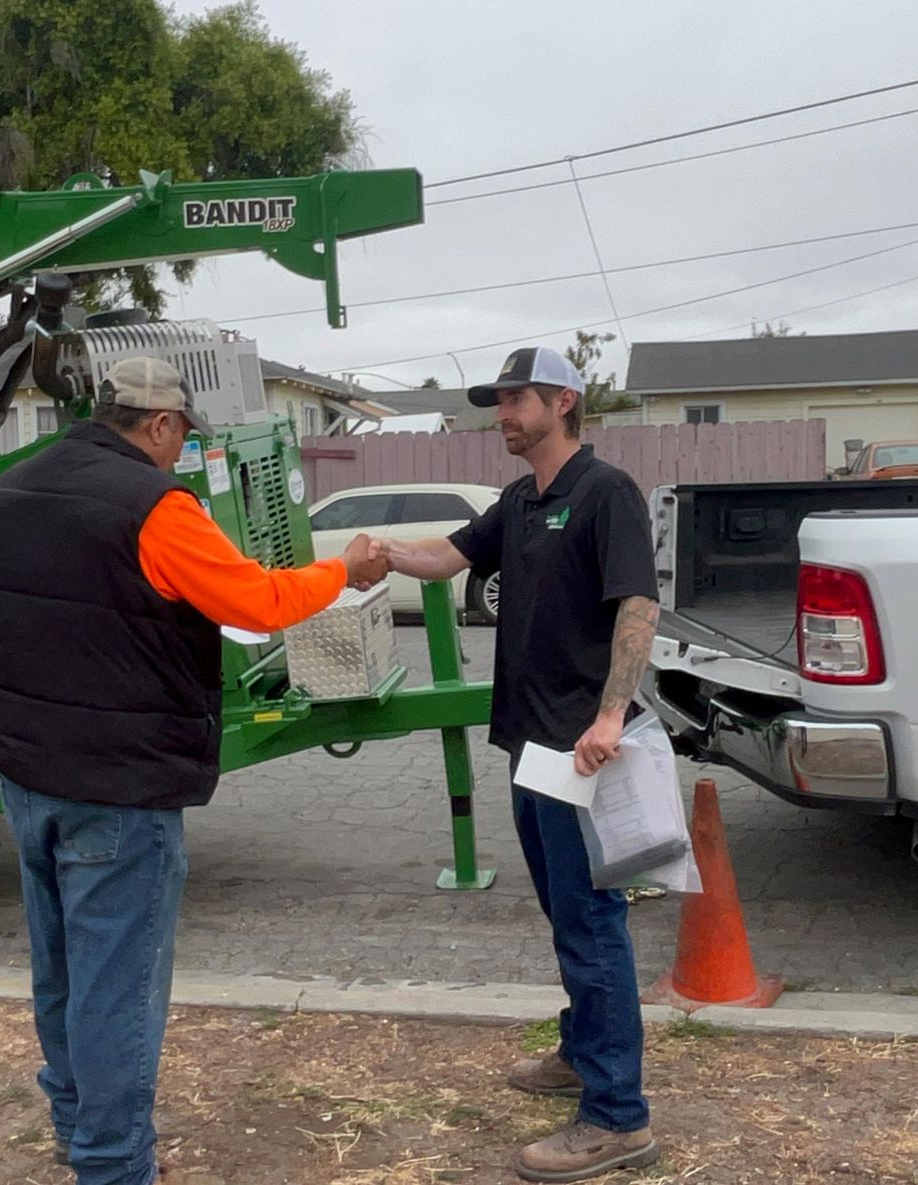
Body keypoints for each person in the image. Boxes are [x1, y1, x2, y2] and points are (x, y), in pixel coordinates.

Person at [0, 355, 388, 1185]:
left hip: (26, 768)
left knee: (58, 961)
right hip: (118, 787)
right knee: (116, 982)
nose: (179, 453)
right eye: (180, 436)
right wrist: (348, 569)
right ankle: (113, 1163)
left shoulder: (12, 487)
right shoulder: (156, 506)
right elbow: (259, 603)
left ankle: (71, 1118)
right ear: (160, 424)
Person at [376, 344, 662, 1182]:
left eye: (516, 398)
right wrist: (384, 556)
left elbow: (637, 605)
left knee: (592, 923)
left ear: (563, 400)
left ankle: (618, 1117)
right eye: (498, 400)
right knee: (563, 913)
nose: (501, 412)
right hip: (529, 747)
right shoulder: (522, 500)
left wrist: (611, 713)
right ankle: (582, 1053)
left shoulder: (604, 493)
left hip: (583, 749)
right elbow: (452, 557)